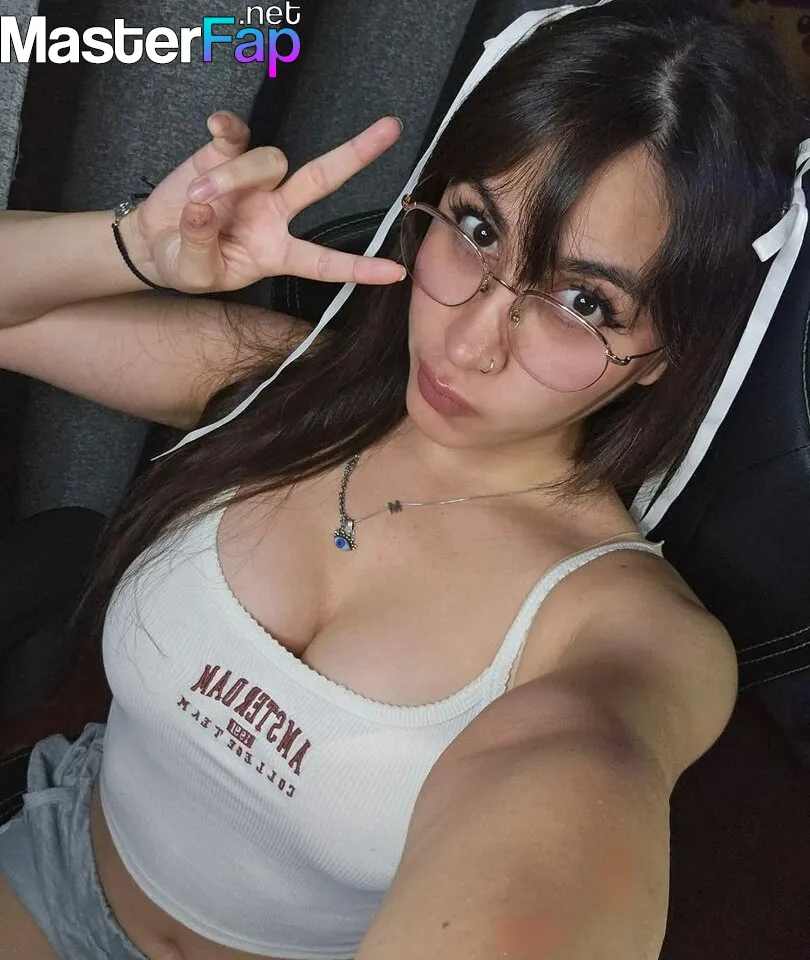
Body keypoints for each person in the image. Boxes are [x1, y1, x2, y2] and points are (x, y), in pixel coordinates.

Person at [0, 1, 805, 958]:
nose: (470, 341)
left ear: (667, 353)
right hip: (56, 861)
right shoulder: (283, 387)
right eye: (476, 228)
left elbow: (574, 795)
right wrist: (136, 247)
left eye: (584, 300)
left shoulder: (626, 633)